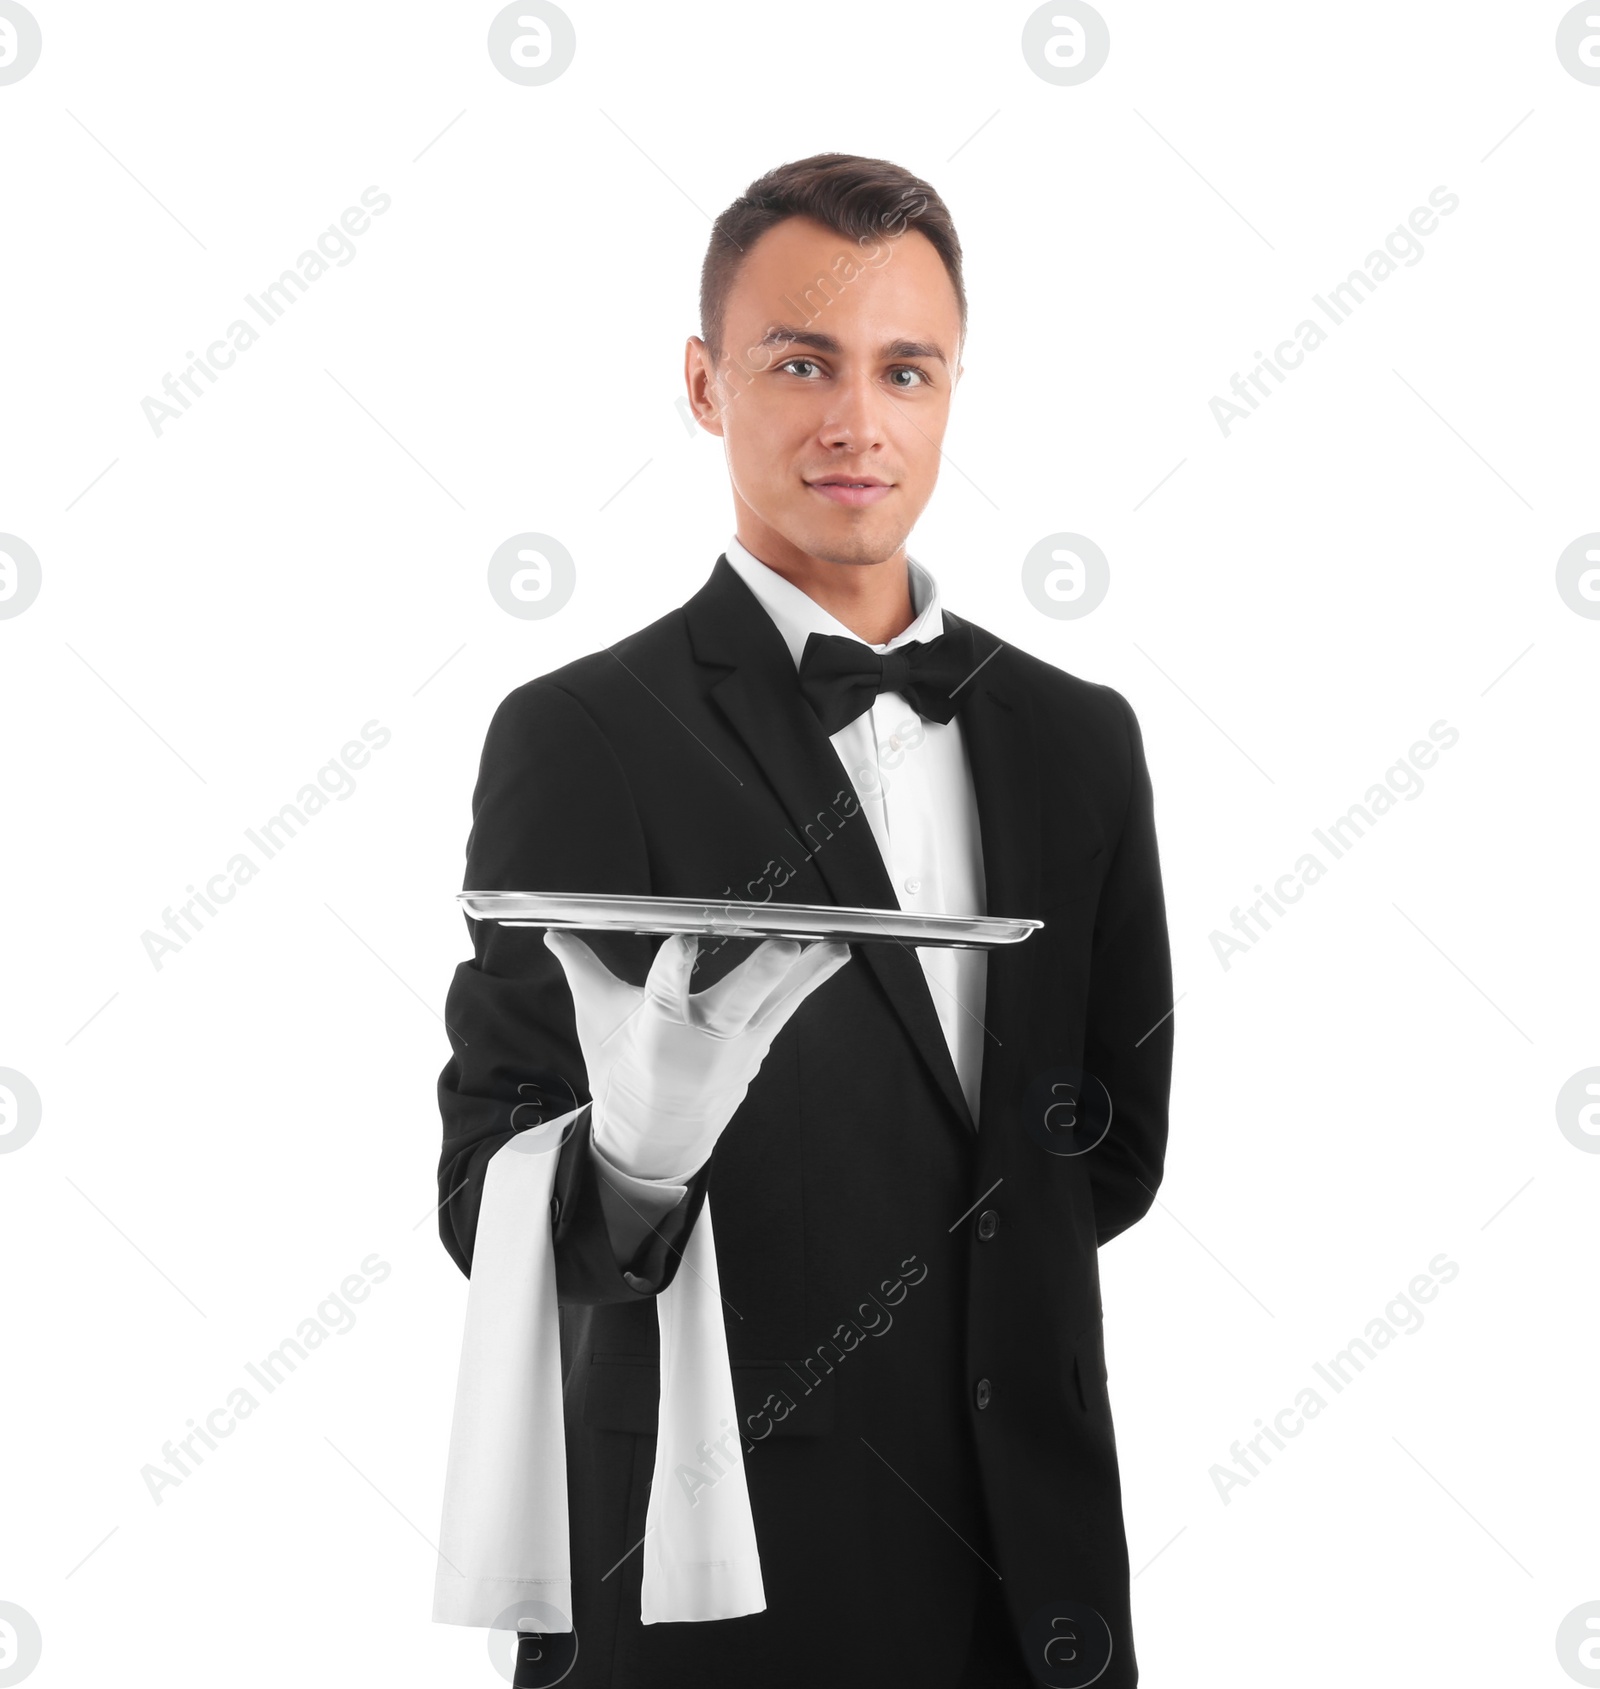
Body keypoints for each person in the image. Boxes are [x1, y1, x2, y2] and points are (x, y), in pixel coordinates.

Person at [436, 152, 1173, 1688]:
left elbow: (1104, 1150)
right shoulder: (585, 731)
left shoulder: (1076, 737)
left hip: (1037, 1585)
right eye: (800, 363)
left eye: (905, 369)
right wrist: (636, 1159)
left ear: (953, 389)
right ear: (706, 385)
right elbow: (481, 1193)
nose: (857, 419)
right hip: (710, 1592)